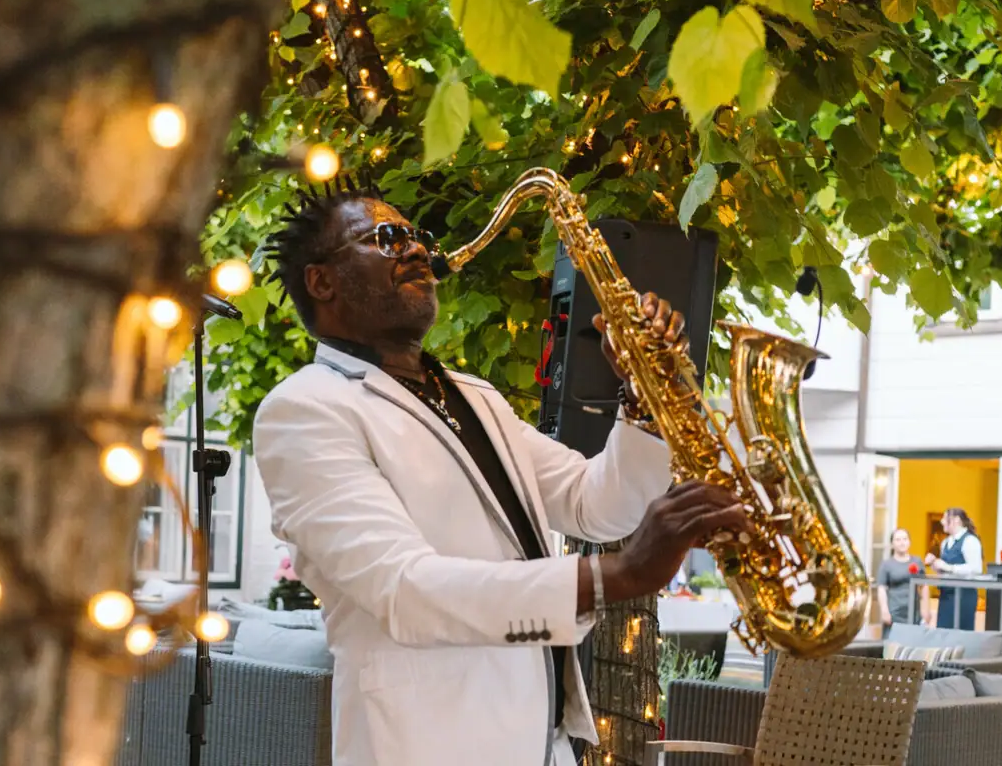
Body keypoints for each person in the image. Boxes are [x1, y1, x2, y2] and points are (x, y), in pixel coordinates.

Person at [251, 179, 748, 766]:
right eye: (386, 239)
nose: (415, 250)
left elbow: (598, 504)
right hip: (425, 746)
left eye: (416, 236)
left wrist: (641, 401)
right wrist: (616, 574)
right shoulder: (304, 408)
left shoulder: (474, 396)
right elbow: (405, 591)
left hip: (541, 743)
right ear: (322, 280)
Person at [925, 507, 983, 630]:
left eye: (945, 518)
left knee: (961, 634)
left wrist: (949, 567)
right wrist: (935, 564)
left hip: (964, 596)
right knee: (943, 632)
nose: (941, 522)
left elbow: (976, 568)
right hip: (946, 595)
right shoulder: (945, 542)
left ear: (956, 520)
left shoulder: (970, 541)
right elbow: (945, 570)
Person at [876, 528, 931, 637]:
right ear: (892, 543)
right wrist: (884, 610)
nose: (902, 542)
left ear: (909, 542)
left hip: (913, 612)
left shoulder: (917, 561)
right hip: (894, 612)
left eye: (905, 539)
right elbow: (881, 588)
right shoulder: (887, 564)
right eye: (898, 540)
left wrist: (926, 609)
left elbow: (924, 586)